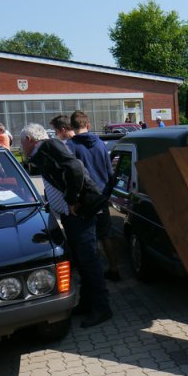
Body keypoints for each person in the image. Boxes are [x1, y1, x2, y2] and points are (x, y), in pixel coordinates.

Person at [20, 122, 112, 328]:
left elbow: (75, 168)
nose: (21, 147)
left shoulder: (48, 145)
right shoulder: (43, 151)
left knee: (89, 261)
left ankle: (102, 307)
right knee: (82, 261)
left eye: (22, 142)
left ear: (29, 139)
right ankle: (87, 303)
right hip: (71, 216)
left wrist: (71, 199)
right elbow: (58, 177)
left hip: (80, 213)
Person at [67, 110, 121, 281]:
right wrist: (107, 195)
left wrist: (73, 201)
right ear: (88, 125)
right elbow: (110, 173)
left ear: (72, 127)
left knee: (88, 237)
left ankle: (94, 275)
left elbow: (73, 176)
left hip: (84, 200)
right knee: (106, 234)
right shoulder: (100, 144)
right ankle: (114, 269)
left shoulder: (70, 146)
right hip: (101, 197)